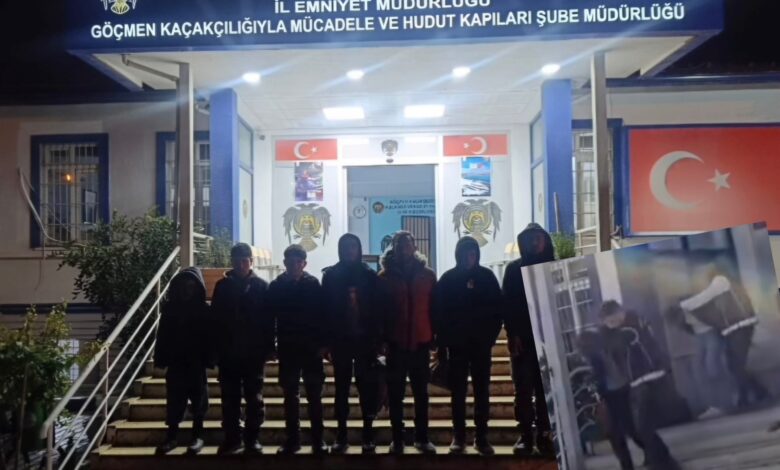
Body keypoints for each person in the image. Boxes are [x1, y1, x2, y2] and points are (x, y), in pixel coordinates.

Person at [591, 300, 680, 470]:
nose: (610, 324)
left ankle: (663, 463)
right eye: (607, 321)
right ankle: (662, 460)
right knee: (641, 427)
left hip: (647, 378)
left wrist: (600, 334)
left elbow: (617, 343)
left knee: (642, 427)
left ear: (619, 313)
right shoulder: (632, 325)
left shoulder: (630, 329)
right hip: (640, 380)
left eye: (612, 320)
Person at [435, 236, 503, 456]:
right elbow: (439, 314)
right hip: (457, 347)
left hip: (481, 346)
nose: (468, 258)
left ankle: (481, 437)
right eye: (465, 254)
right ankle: (459, 436)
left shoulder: (487, 277)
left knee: (482, 392)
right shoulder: (448, 279)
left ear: (477, 255)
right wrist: (443, 344)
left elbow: (497, 311)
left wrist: (489, 338)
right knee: (458, 393)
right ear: (458, 255)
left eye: (472, 254)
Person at [322, 234, 385, 454]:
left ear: (359, 249)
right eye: (346, 247)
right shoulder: (331, 276)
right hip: (340, 341)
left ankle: (368, 435)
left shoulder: (369, 275)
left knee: (367, 388)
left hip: (365, 341)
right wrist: (326, 342)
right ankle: (341, 435)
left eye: (353, 246)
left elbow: (378, 309)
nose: (350, 250)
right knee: (341, 388)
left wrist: (379, 340)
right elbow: (324, 310)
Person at [211, 242, 273, 455]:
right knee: (229, 398)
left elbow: (268, 321)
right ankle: (232, 438)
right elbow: (215, 320)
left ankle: (252, 439)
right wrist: (215, 350)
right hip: (228, 352)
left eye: (244, 260)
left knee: (254, 398)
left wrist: (269, 348)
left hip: (253, 353)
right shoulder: (222, 287)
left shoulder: (262, 287)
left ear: (251, 262)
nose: (240, 264)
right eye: (237, 260)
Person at [380, 231, 437, 455]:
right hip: (395, 344)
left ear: (414, 247)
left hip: (421, 342)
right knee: (395, 395)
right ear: (393, 248)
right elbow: (379, 312)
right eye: (399, 244)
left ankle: (422, 437)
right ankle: (398, 439)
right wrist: (381, 340)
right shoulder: (384, 277)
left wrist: (436, 338)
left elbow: (435, 308)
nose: (403, 247)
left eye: (407, 243)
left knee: (421, 393)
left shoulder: (428, 275)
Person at [268, 245, 328, 455]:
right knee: (290, 397)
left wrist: (323, 344)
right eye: (291, 262)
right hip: (288, 348)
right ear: (284, 263)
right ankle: (293, 440)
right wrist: (271, 346)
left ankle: (318, 440)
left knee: (314, 396)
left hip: (311, 349)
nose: (294, 265)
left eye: (298, 262)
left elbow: (323, 316)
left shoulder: (313, 284)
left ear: (304, 263)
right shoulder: (276, 286)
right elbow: (269, 319)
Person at [501, 223, 554, 455]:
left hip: (549, 339)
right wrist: (512, 334)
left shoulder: (555, 267)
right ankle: (525, 436)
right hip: (523, 340)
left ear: (545, 240)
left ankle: (545, 435)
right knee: (523, 389)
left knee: (546, 391)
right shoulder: (513, 270)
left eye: (538, 238)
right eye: (530, 238)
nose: (535, 242)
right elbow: (507, 305)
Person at [680, 272, 768, 408]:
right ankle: (757, 392)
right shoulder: (721, 285)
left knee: (736, 365)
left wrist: (683, 304)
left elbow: (703, 298)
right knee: (734, 365)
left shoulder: (720, 281)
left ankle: (749, 396)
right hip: (735, 328)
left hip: (740, 326)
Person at [153, 267, 213, 456]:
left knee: (199, 400)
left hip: (196, 362)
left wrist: (210, 358)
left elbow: (210, 337)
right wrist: (161, 358)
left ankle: (197, 436)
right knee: (174, 400)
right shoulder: (170, 309)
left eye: (191, 286)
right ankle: (171, 437)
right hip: (176, 361)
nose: (187, 289)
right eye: (184, 286)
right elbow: (162, 335)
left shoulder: (204, 309)